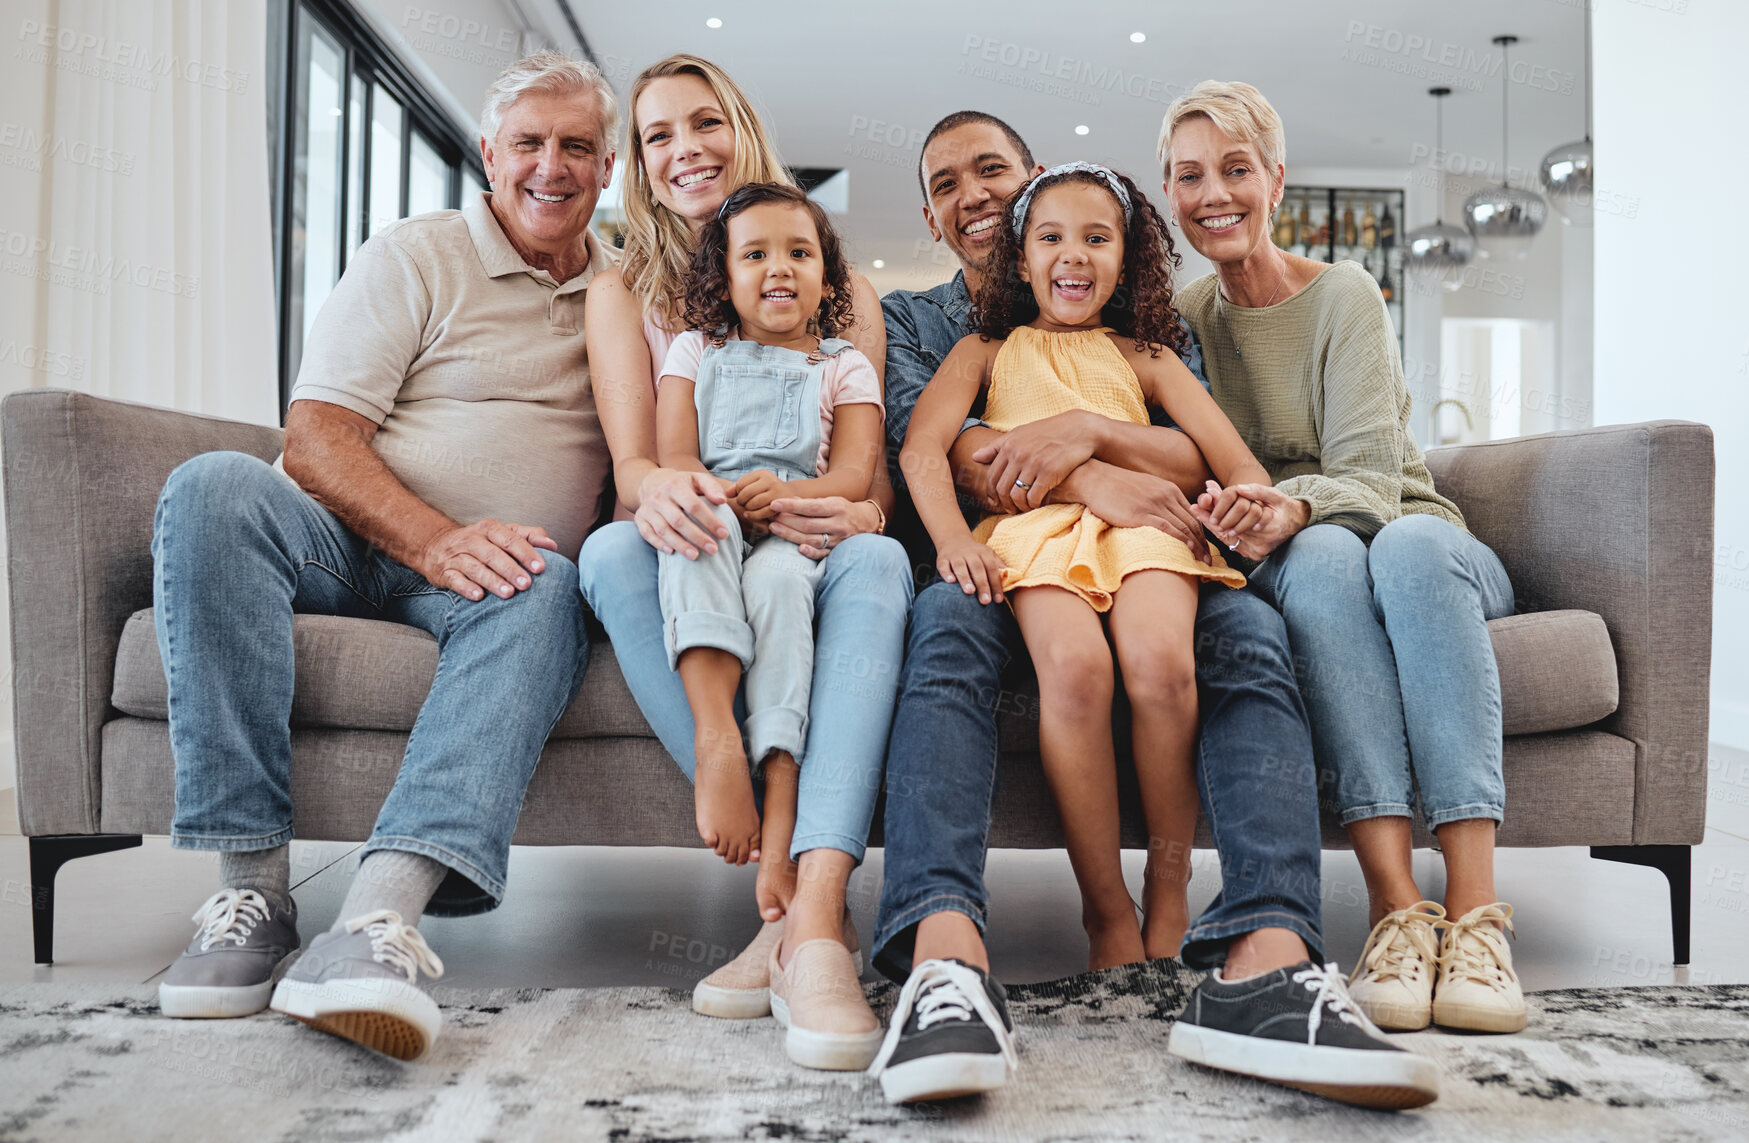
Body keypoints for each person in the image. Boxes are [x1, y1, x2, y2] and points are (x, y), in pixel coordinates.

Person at [866, 111, 1438, 1111]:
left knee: (1215, 650)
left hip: (1154, 543)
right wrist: (1041, 493)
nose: (982, 202)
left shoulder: (1152, 342)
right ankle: (954, 956)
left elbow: (1213, 455)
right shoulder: (937, 329)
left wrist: (1107, 448)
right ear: (936, 217)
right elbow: (936, 450)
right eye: (949, 184)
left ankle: (1251, 947)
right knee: (987, 647)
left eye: (995, 175)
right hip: (1016, 554)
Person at [151, 52, 619, 1062]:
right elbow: (315, 438)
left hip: (495, 584)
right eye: (528, 144)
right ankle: (250, 898)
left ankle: (374, 924)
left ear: (609, 165)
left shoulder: (627, 293)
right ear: (490, 154)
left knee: (551, 581)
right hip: (352, 544)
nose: (551, 167)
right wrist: (437, 537)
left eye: (576, 146)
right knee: (211, 486)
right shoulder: (417, 254)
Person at [1159, 80, 1524, 1035]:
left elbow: (1367, 474)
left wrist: (1290, 503)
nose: (1214, 194)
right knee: (1320, 561)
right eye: (1189, 175)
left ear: (1275, 181)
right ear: (1168, 193)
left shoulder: (1344, 295)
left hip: (1418, 540)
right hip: (1302, 557)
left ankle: (1478, 922)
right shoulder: (1182, 322)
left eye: (1235, 169)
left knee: (1393, 545)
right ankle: (1398, 908)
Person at [575, 55, 911, 1071]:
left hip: (809, 530)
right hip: (698, 516)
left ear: (742, 128)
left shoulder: (840, 290)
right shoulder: (623, 290)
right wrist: (679, 491)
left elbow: (872, 485)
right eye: (658, 135)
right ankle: (764, 827)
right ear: (638, 163)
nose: (685, 150)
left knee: (883, 568)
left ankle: (809, 920)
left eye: (703, 123)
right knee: (607, 550)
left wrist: (825, 512)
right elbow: (640, 464)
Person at [902, 161, 1263, 972]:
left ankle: (1169, 897)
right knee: (1072, 669)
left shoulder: (1148, 354)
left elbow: (1234, 463)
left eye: (1096, 238)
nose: (1073, 256)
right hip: (1030, 530)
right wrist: (953, 539)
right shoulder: (983, 348)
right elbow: (923, 449)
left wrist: (1246, 508)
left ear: (1126, 257)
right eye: (1051, 238)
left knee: (1162, 666)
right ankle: (1105, 910)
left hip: (1142, 528)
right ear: (1021, 259)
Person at [656, 182, 885, 898]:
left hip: (794, 528)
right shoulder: (695, 350)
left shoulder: (842, 363)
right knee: (705, 524)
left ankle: (781, 794)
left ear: (827, 276)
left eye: (799, 253)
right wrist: (727, 498)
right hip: (715, 511)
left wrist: (787, 495)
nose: (779, 268)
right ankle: (717, 735)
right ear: (723, 278)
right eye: (754, 254)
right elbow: (676, 459)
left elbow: (852, 475)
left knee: (780, 583)